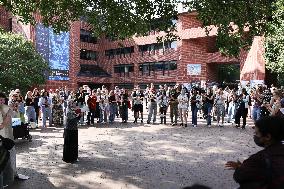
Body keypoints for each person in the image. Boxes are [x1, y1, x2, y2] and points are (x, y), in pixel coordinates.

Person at [225, 116, 284, 189]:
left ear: (268, 137)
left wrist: (240, 168)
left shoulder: (258, 159)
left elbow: (239, 176)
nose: (254, 136)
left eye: (256, 133)